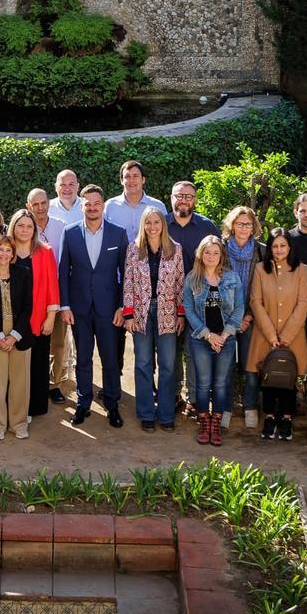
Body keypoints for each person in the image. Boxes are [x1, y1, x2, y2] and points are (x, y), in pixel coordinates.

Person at [59, 185, 128, 428]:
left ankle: (112, 404)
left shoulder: (118, 234)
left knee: (110, 359)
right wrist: (65, 306)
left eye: (96, 203)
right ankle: (83, 403)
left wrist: (122, 307)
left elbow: (126, 274)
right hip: (79, 309)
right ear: (82, 206)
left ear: (103, 206)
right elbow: (63, 273)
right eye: (87, 204)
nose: (92, 207)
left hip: (109, 309)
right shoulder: (69, 233)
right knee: (84, 358)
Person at [122, 207, 184, 432]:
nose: (152, 227)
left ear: (163, 224)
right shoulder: (133, 249)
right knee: (143, 363)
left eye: (156, 222)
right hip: (141, 312)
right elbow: (128, 282)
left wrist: (180, 314)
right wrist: (128, 314)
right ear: (143, 225)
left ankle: (166, 414)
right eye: (148, 222)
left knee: (167, 365)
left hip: (167, 312)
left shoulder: (175, 249)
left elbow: (180, 283)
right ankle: (147, 413)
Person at [247, 227, 307, 441]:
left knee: (288, 376)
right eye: (275, 245)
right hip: (265, 334)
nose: (279, 249)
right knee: (269, 377)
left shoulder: (301, 270)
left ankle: (287, 418)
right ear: (270, 248)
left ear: (290, 247)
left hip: (293, 335)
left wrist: (286, 336)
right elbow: (256, 301)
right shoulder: (259, 269)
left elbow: (303, 303)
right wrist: (272, 335)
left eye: (283, 245)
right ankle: (270, 416)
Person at [183, 236, 243, 446]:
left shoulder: (232, 278)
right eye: (207, 252)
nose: (211, 256)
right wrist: (208, 335)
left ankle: (216, 424)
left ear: (221, 255)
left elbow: (239, 309)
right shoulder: (192, 278)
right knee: (203, 384)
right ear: (201, 254)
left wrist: (224, 335)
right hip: (201, 339)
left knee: (220, 384)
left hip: (225, 340)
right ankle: (204, 423)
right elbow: (188, 310)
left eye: (215, 253)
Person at [167, 181, 219, 422]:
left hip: (199, 301)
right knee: (170, 351)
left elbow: (219, 262)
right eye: (179, 196)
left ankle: (194, 399)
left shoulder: (206, 227)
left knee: (194, 350)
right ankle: (174, 394)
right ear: (171, 198)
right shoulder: (161, 225)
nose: (184, 200)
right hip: (168, 299)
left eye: (189, 196)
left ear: (195, 200)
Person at [0, 236, 35, 439]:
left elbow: (28, 307)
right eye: (0, 250)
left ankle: (19, 424)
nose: (4, 254)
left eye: (8, 250)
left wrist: (14, 336)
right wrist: (0, 337)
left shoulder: (24, 274)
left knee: (21, 383)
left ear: (13, 254)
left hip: (20, 333)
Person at [7, 209, 60, 419]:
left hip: (38, 318)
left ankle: (33, 408)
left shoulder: (44, 252)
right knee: (13, 366)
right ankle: (13, 405)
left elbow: (52, 287)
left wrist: (51, 316)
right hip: (10, 319)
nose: (25, 230)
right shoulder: (3, 250)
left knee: (37, 364)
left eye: (29, 226)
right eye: (20, 225)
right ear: (13, 227)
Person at [222, 206, 265, 429]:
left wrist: (248, 316)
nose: (243, 228)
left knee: (250, 367)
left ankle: (250, 407)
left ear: (254, 227)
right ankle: (225, 408)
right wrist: (231, 318)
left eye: (248, 224)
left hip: (252, 318)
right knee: (226, 367)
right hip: (224, 319)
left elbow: (265, 288)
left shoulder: (261, 251)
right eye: (239, 224)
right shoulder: (220, 249)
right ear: (231, 226)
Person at [28, 188, 70, 404]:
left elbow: (66, 262)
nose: (40, 208)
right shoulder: (24, 227)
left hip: (56, 291)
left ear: (48, 203)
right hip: (32, 294)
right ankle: (35, 382)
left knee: (58, 342)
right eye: (35, 204)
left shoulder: (61, 226)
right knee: (34, 340)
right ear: (29, 207)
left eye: (43, 203)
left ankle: (55, 384)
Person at [105, 160, 167, 244]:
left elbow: (165, 237)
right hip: (117, 257)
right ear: (121, 181)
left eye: (135, 176)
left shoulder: (158, 206)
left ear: (143, 179)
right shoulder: (109, 206)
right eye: (127, 176)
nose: (132, 180)